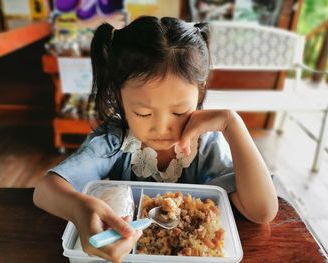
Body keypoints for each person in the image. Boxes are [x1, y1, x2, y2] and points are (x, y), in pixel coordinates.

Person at [33, 16, 278, 263]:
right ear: (118, 95)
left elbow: (262, 211)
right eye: (143, 113)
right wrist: (79, 207)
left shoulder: (206, 145)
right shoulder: (115, 141)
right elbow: (44, 191)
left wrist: (231, 123)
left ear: (200, 91)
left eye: (179, 111)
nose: (162, 127)